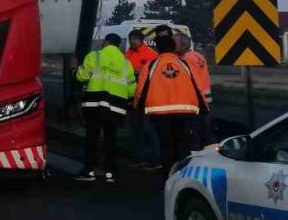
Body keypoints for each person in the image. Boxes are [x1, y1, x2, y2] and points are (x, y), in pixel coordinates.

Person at [134, 34, 207, 174]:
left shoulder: (151, 65)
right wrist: (205, 108)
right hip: (186, 112)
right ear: (173, 48)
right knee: (182, 146)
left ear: (158, 49)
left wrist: (137, 107)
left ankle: (169, 177)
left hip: (160, 114)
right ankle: (184, 176)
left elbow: (141, 90)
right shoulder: (185, 64)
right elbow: (198, 87)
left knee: (166, 146)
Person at [73, 33, 135, 182]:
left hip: (94, 104)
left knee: (92, 138)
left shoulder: (95, 56)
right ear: (118, 45)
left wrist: (74, 69)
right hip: (115, 106)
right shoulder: (126, 62)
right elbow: (132, 88)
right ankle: (110, 172)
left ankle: (89, 171)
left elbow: (82, 76)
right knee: (110, 139)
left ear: (106, 42)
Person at [123, 30, 160, 169]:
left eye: (135, 39)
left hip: (146, 97)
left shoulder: (150, 54)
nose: (132, 41)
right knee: (136, 130)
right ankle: (141, 158)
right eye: (131, 39)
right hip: (132, 98)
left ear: (141, 40)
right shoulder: (127, 54)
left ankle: (155, 159)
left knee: (148, 130)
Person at [176, 32, 216, 148]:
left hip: (195, 100)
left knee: (194, 133)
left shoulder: (185, 59)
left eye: (175, 43)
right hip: (205, 99)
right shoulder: (198, 56)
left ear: (183, 45)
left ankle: (195, 156)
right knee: (207, 131)